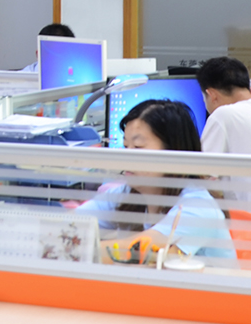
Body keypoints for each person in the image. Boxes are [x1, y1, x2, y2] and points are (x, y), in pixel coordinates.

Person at [76, 100, 233, 259]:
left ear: (173, 152)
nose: (126, 157)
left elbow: (136, 254)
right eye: (125, 146)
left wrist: (69, 246)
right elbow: (71, 223)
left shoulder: (199, 207)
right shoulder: (128, 193)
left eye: (138, 147)